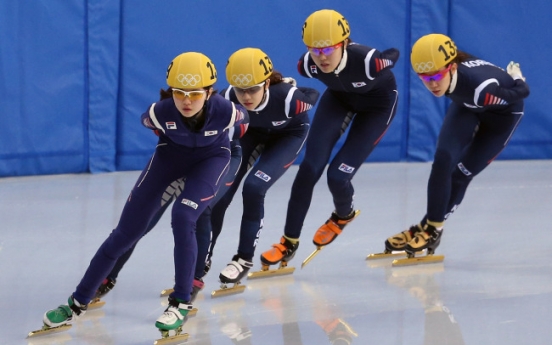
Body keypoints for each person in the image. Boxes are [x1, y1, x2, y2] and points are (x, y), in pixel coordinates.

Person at [40, 52, 247, 336]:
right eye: (179, 92)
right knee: (125, 232)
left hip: (211, 161)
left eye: (195, 94)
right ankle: (76, 302)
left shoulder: (226, 111)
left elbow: (244, 123)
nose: (186, 101)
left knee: (184, 217)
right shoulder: (158, 113)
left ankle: (181, 302)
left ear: (210, 92)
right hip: (169, 159)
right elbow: (151, 125)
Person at [260, 9, 400, 268]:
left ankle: (342, 216)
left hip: (378, 107)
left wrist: (386, 59)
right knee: (309, 169)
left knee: (337, 176)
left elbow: (394, 53)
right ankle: (288, 241)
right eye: (315, 49)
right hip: (339, 99)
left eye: (328, 49)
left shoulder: (370, 61)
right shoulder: (307, 65)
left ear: (345, 43)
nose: (322, 56)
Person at [384, 33, 529, 258]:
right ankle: (427, 226)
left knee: (461, 173)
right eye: (424, 77)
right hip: (468, 104)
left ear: (451, 68)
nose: (432, 83)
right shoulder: (452, 69)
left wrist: (517, 77)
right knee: (443, 159)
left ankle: (432, 229)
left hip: (502, 115)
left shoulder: (483, 89)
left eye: (437, 75)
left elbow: (522, 93)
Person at [210, 47, 320, 286]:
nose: (246, 97)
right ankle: (202, 260)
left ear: (267, 84)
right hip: (251, 133)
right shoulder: (227, 97)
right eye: (241, 90)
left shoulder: (290, 99)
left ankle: (242, 259)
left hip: (288, 135)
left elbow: (313, 93)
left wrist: (294, 87)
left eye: (253, 89)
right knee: (220, 192)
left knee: (254, 188)